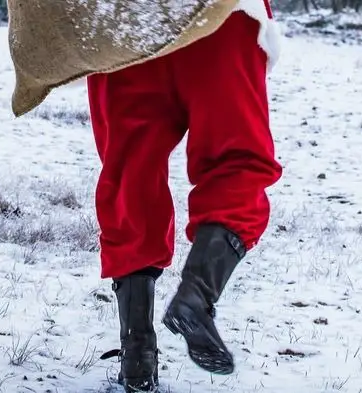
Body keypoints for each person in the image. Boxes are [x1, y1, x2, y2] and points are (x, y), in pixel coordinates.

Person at [86, 0, 282, 391]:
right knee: (237, 159)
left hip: (123, 20)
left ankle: (137, 354)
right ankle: (196, 295)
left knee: (130, 176)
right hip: (219, 14)